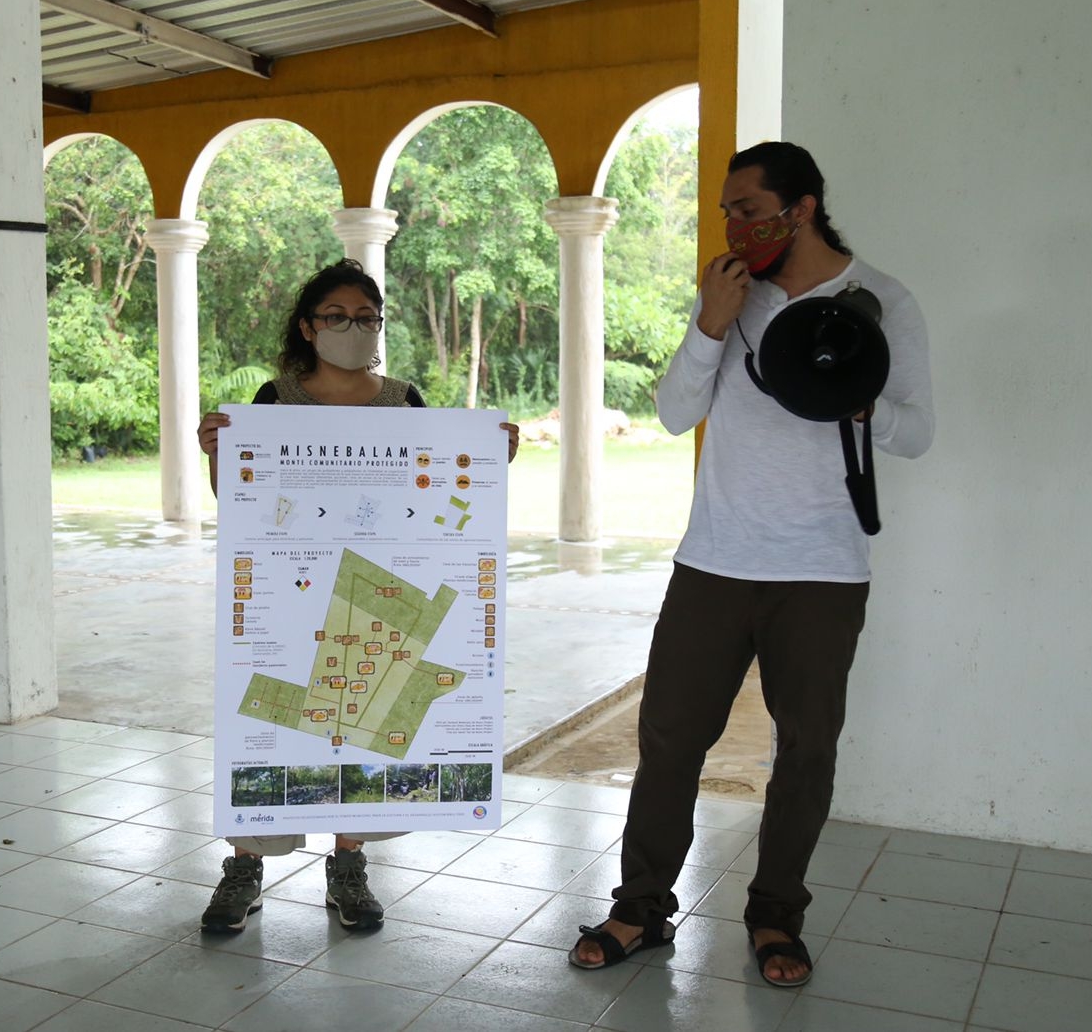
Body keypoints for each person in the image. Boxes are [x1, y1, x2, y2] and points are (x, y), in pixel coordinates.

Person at [569, 142, 933, 985]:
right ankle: (641, 909)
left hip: (823, 570)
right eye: (727, 210)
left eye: (745, 207)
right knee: (669, 741)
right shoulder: (732, 292)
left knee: (806, 751)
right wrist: (710, 325)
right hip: (714, 563)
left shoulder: (881, 301)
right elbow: (671, 414)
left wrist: (857, 394)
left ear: (799, 208)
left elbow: (918, 435)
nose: (731, 224)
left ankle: (776, 919)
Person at [196, 258, 519, 933]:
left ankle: (348, 865)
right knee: (268, 724)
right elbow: (242, 502)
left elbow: (437, 498)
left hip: (379, 592)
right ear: (308, 327)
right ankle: (246, 863)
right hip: (292, 595)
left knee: (364, 726)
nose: (353, 327)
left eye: (367, 317)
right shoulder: (274, 400)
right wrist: (218, 453)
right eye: (337, 316)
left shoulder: (403, 400)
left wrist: (487, 460)